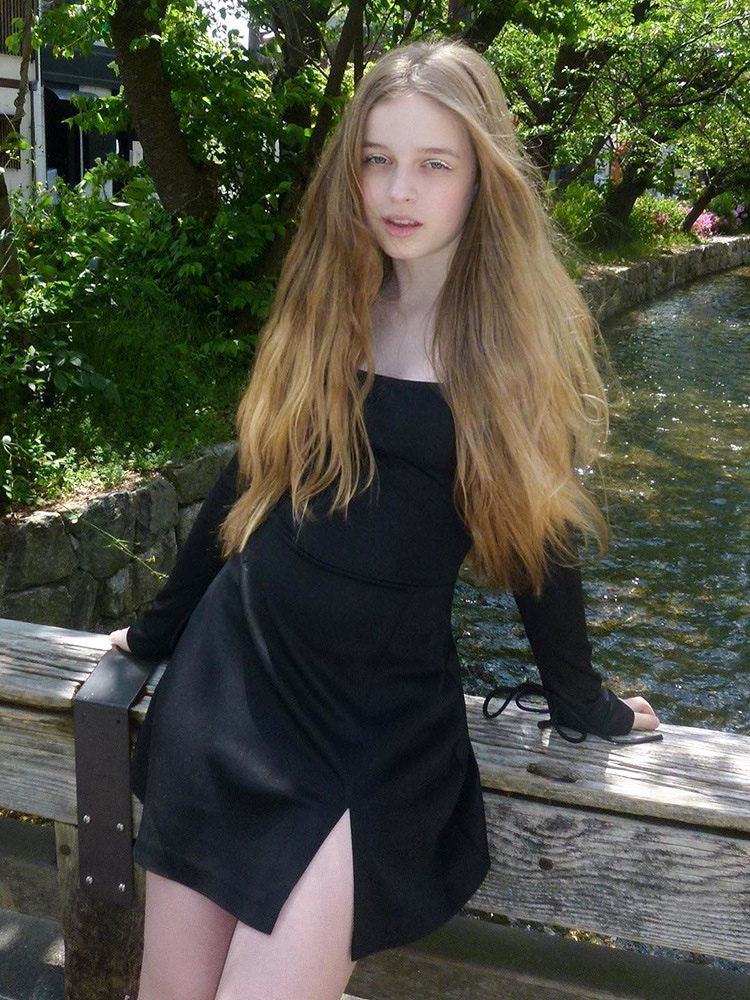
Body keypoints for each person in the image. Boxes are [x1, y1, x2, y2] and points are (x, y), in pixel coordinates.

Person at [110, 35, 661, 1000]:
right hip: (236, 677)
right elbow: (252, 477)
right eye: (378, 159)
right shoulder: (333, 300)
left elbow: (541, 542)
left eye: (434, 164)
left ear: (482, 178)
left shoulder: (509, 347)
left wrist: (583, 703)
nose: (398, 191)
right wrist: (154, 636)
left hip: (372, 720)